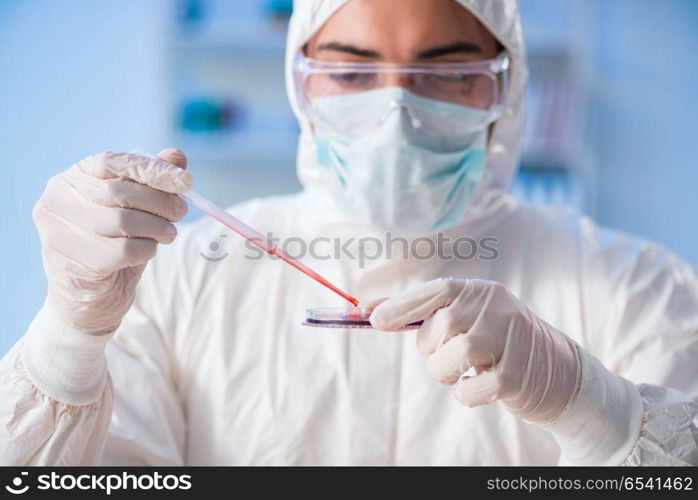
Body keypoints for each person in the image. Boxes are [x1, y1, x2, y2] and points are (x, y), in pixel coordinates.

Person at [1, 0, 696, 466]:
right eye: (350, 70)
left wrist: (590, 405)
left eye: (450, 72)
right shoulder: (183, 272)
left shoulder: (638, 285)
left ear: (506, 91)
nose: (395, 110)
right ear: (301, 84)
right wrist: (69, 338)